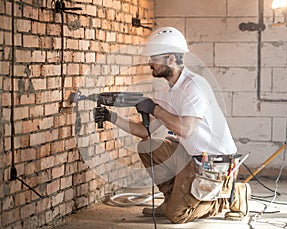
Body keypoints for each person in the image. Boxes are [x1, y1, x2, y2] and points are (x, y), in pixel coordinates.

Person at [94, 26, 251, 223]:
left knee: (176, 216)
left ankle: (231, 193)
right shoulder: (169, 92)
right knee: (147, 146)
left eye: (154, 58)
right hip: (190, 157)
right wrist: (112, 117)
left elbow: (185, 129)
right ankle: (172, 199)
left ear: (170, 59)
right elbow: (145, 131)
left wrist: (154, 109)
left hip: (215, 163)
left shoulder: (194, 86)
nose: (150, 63)